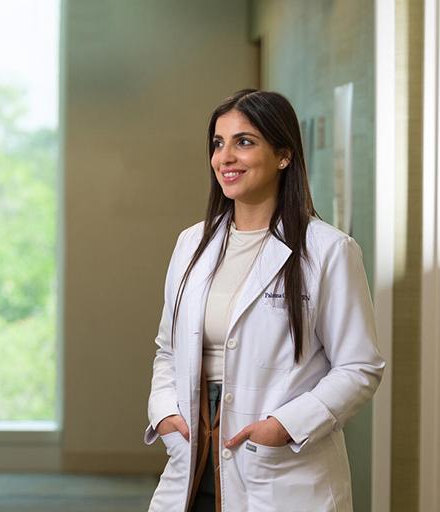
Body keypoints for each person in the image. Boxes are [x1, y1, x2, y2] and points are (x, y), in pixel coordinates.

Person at [144, 89, 385, 511]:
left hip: (278, 462)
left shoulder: (328, 250)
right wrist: (165, 414)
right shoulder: (191, 244)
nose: (225, 157)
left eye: (245, 142)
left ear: (284, 155)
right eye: (218, 144)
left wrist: (286, 426)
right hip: (194, 447)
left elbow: (360, 366)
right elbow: (168, 349)